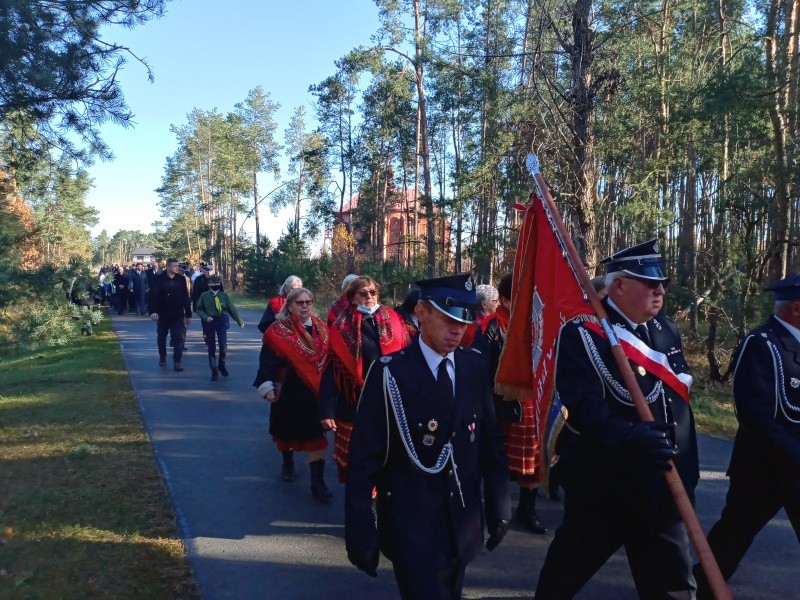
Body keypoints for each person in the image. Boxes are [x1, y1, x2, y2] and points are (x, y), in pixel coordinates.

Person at [535, 239, 699, 599]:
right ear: (619, 286)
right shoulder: (583, 333)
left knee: (672, 587)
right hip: (605, 487)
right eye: (650, 283)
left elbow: (677, 406)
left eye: (663, 285)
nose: (660, 292)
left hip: (660, 486)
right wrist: (629, 434)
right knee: (561, 580)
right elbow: (585, 406)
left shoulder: (665, 329)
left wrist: (688, 469)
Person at [345, 273, 511, 600]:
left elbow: (490, 442)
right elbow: (363, 460)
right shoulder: (391, 372)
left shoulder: (473, 366)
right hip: (412, 526)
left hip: (462, 522)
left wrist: (498, 505)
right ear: (421, 313)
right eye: (449, 319)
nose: (458, 329)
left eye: (464, 321)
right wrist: (361, 532)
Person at [693, 274, 800, 598]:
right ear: (796, 308)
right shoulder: (762, 343)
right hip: (762, 470)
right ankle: (703, 589)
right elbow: (752, 411)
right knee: (733, 537)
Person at [473, 274, 548, 534]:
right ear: (504, 300)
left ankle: (527, 509)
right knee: (494, 459)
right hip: (497, 403)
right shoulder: (490, 327)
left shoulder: (538, 324)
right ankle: (496, 510)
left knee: (532, 462)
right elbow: (480, 369)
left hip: (529, 403)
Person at [321, 276, 411, 483]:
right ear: (352, 298)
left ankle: (384, 507)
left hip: (392, 401)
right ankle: (364, 507)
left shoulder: (395, 319)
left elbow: (409, 358)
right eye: (363, 293)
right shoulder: (341, 328)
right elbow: (331, 371)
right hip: (355, 402)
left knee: (390, 462)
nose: (369, 296)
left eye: (373, 292)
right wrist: (326, 411)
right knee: (359, 464)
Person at [253, 287, 334, 501]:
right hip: (288, 390)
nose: (305, 306)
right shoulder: (276, 331)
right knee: (286, 432)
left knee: (317, 437)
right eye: (300, 303)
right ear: (289, 305)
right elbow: (266, 361)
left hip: (315, 394)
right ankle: (287, 464)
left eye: (308, 302)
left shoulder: (322, 327)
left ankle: (318, 483)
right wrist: (267, 387)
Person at [195, 275, 244, 381]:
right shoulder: (204, 296)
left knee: (223, 346)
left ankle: (222, 365)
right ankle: (214, 370)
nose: (216, 285)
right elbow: (198, 309)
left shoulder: (224, 296)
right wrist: (205, 317)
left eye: (218, 283)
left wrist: (239, 321)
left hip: (221, 321)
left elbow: (231, 309)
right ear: (209, 284)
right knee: (211, 347)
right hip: (209, 322)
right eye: (213, 283)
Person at [149, 257, 192, 371]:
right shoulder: (158, 279)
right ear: (168, 267)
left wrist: (188, 314)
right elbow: (153, 296)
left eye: (177, 266)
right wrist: (153, 311)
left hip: (177, 314)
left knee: (178, 338)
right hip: (163, 314)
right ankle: (162, 356)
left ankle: (177, 361)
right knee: (161, 337)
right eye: (174, 266)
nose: (177, 268)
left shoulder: (181, 279)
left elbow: (186, 298)